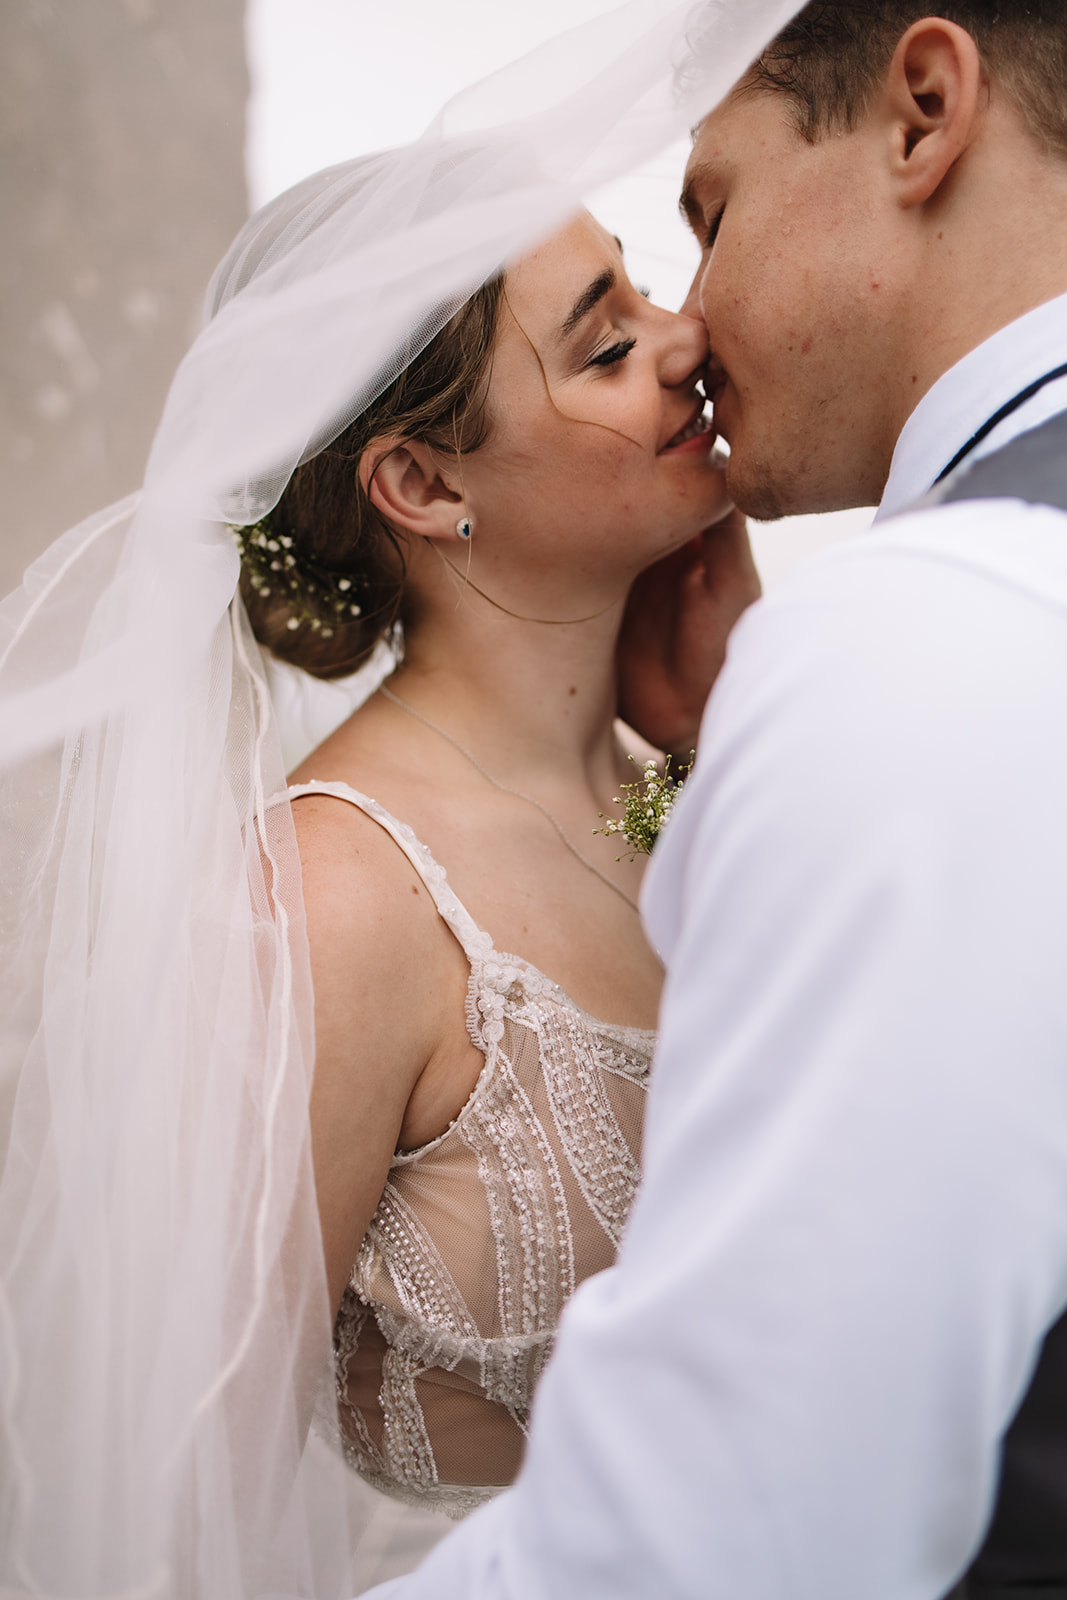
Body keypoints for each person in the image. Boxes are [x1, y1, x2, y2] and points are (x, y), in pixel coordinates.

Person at [0, 7, 783, 1594]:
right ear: (424, 486)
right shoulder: (330, 896)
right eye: (607, 342)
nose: (687, 338)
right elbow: (171, 1510)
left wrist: (721, 741)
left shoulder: (660, 787)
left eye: (639, 287)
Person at [362, 4, 1067, 1597]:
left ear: (924, 114)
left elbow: (731, 1540)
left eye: (713, 212)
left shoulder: (928, 631)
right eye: (607, 332)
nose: (690, 324)